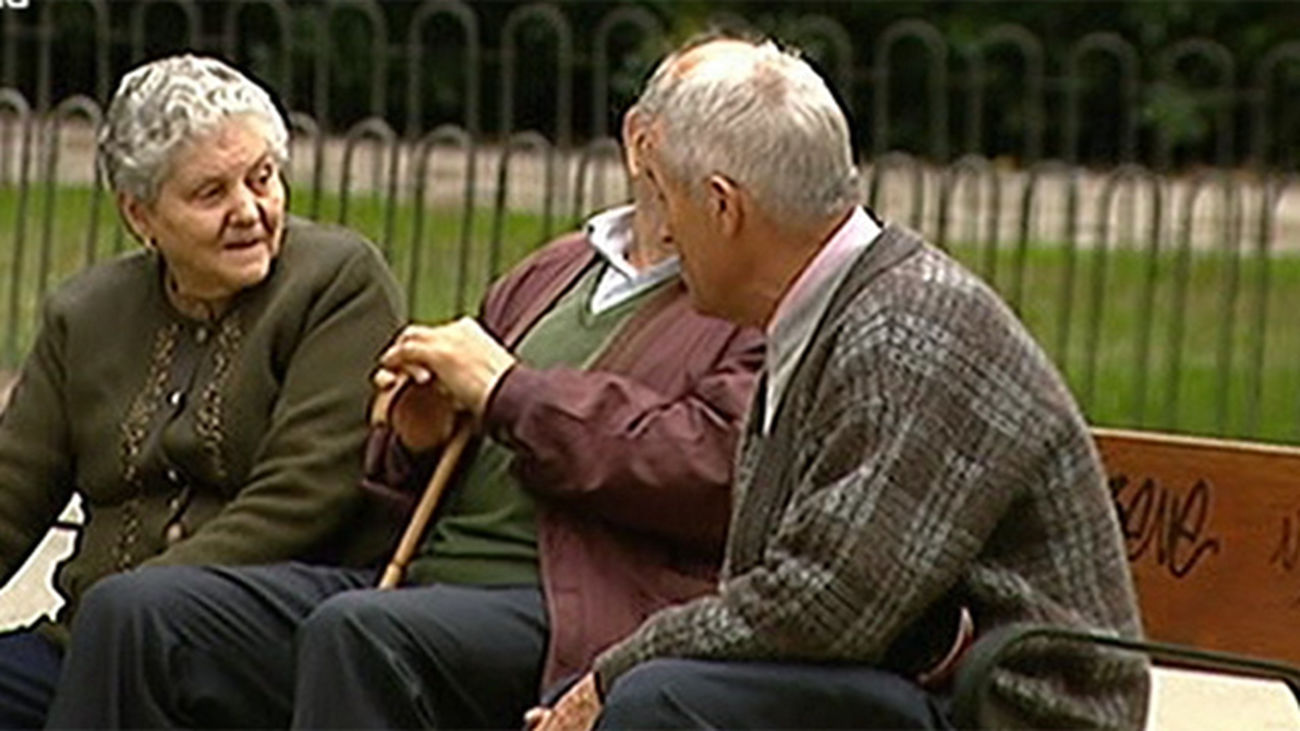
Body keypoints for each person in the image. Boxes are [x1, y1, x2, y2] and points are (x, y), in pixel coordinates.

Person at [43, 99, 764, 729]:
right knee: (136, 612)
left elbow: (712, 466)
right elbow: (403, 473)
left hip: (577, 608)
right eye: (709, 125)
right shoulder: (560, 267)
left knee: (359, 631)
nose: (730, 159)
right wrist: (418, 436)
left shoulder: (748, 301)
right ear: (641, 140)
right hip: (418, 579)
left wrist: (508, 390)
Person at [530, 36, 1149, 731]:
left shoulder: (906, 332)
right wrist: (608, 676)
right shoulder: (829, 311)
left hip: (1014, 712)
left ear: (723, 207)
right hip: (904, 678)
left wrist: (614, 673)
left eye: (667, 199)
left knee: (660, 700)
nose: (666, 231)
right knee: (633, 687)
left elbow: (827, 604)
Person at [0, 54, 404, 728]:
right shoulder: (86, 314)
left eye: (262, 178)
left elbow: (303, 496)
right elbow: (12, 490)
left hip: (250, 647)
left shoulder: (336, 284)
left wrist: (128, 612)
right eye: (211, 193)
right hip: (86, 645)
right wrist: (109, 627)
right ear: (140, 215)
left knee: (131, 626)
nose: (248, 211)